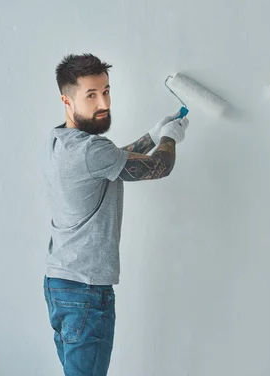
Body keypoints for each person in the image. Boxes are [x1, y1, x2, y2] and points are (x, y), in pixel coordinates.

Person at [42, 53, 189, 376]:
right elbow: (159, 167)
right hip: (86, 291)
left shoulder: (60, 140)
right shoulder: (91, 150)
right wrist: (170, 138)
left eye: (106, 91)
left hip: (61, 284)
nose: (103, 102)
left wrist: (152, 135)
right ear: (67, 100)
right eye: (91, 95)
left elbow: (112, 162)